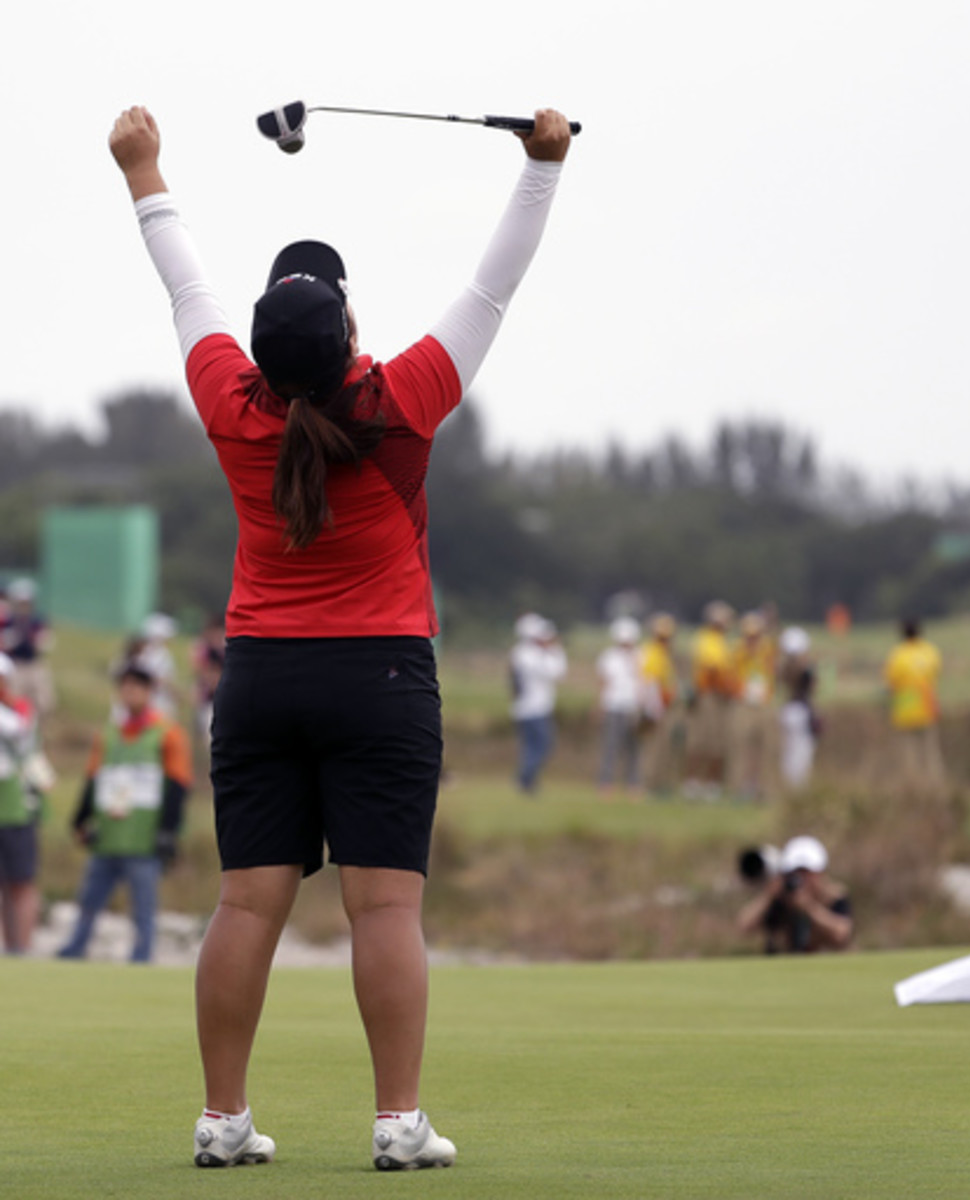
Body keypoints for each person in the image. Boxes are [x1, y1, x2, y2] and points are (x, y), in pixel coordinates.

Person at [110, 102, 571, 1167]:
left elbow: (187, 283)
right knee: (383, 911)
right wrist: (544, 167)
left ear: (262, 355)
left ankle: (222, 1122)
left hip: (261, 675)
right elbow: (493, 284)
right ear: (353, 336)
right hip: (382, 677)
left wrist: (143, 167)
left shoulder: (232, 401)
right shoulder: (401, 399)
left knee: (243, 905)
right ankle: (395, 1124)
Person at [58, 658, 192, 963]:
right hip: (109, 832)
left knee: (143, 902)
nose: (129, 692)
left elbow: (179, 785)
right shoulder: (107, 734)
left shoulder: (168, 734)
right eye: (125, 686)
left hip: (143, 835)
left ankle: (142, 954)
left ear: (149, 690)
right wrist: (80, 819)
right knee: (90, 897)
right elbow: (93, 779)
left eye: (136, 686)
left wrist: (168, 831)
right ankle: (76, 946)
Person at [736, 835, 853, 954]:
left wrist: (809, 908)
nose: (801, 877)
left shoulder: (832, 897)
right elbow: (743, 927)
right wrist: (768, 897)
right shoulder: (780, 896)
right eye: (795, 871)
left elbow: (842, 934)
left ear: (820, 873)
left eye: (806, 872)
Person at [0, 653, 39, 954]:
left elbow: (21, 734)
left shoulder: (20, 709)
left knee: (20, 881)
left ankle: (21, 948)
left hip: (16, 806)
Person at [883, 617, 945, 789]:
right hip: (927, 706)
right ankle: (936, 785)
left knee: (909, 752)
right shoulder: (930, 651)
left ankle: (912, 786)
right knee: (931, 751)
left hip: (905, 708)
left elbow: (890, 681)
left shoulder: (898, 654)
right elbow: (937, 673)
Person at [509, 613, 568, 794]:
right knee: (542, 745)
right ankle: (524, 777)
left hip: (529, 708)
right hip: (534, 708)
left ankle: (529, 782)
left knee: (531, 747)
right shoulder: (529, 655)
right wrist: (554, 650)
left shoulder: (521, 652)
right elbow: (556, 673)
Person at [683, 601, 736, 801]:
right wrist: (729, 688)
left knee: (717, 743)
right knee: (702, 741)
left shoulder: (722, 641)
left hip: (719, 698)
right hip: (709, 696)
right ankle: (694, 783)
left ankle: (711, 785)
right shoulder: (707, 639)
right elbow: (712, 672)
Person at [728, 610, 778, 802]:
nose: (753, 640)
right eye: (749, 636)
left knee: (765, 747)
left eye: (756, 636)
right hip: (744, 703)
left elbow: (774, 657)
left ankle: (763, 788)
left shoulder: (767, 649)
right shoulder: (738, 651)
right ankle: (740, 788)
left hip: (763, 703)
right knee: (742, 746)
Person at [595, 616, 644, 797]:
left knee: (634, 748)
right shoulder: (608, 657)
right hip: (613, 706)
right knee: (610, 747)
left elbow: (644, 683)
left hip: (633, 707)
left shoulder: (641, 656)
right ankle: (606, 783)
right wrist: (600, 706)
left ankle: (634, 783)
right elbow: (602, 682)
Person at [639, 613, 682, 796]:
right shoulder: (651, 652)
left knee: (664, 748)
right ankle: (650, 785)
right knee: (654, 749)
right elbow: (650, 684)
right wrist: (654, 709)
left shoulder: (665, 654)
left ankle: (662, 784)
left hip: (666, 706)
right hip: (657, 708)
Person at [1, 578, 54, 715]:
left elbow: (45, 641)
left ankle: (38, 730)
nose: (24, 605)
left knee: (44, 701)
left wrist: (41, 641)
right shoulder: (10, 620)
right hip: (16, 665)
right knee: (15, 700)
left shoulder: (37, 620)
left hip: (34, 664)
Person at [779, 631, 819, 790]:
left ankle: (790, 784)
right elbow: (814, 687)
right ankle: (798, 787)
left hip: (787, 709)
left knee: (789, 749)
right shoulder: (804, 669)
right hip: (800, 710)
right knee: (802, 751)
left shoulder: (783, 667)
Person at [191, 613, 227, 749]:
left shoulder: (226, 649)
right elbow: (199, 670)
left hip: (223, 697)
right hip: (208, 698)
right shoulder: (204, 649)